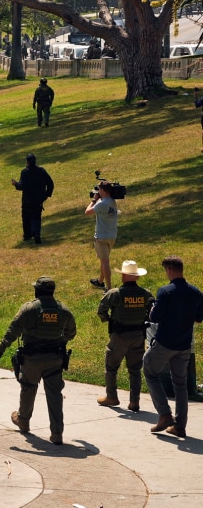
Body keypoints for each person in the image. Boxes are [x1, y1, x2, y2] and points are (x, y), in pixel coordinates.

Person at [0, 276, 77, 445]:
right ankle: (57, 432)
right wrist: (60, 341)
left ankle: (23, 421)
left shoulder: (29, 309)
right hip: (54, 359)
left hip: (32, 358)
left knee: (28, 387)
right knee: (54, 394)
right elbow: (71, 332)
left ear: (37, 291)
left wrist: (1, 348)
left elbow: (13, 329)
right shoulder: (63, 310)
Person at [143, 256, 203, 438]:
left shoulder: (165, 291)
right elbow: (199, 318)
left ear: (169, 270)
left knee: (149, 371)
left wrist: (153, 308)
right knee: (180, 384)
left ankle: (164, 414)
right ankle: (180, 426)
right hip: (184, 345)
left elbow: (155, 318)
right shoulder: (196, 293)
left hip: (165, 343)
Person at [96, 260, 154, 411]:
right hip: (138, 336)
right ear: (137, 277)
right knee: (135, 369)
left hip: (119, 336)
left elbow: (101, 310)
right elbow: (152, 312)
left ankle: (111, 396)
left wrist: (108, 320)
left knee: (111, 367)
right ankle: (134, 401)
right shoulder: (146, 294)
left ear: (122, 276)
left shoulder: (115, 293)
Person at [11, 153, 55, 244]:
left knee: (26, 216)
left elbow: (21, 186)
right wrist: (47, 194)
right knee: (37, 216)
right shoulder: (41, 171)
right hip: (39, 198)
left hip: (27, 199)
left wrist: (15, 184)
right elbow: (50, 183)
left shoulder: (25, 172)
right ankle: (37, 233)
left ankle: (28, 234)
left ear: (27, 162)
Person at [86, 181, 119, 290]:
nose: (98, 191)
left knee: (105, 262)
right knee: (103, 260)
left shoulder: (101, 203)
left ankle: (108, 288)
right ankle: (100, 281)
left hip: (101, 237)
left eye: (99, 190)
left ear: (103, 191)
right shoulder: (113, 202)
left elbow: (87, 212)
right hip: (112, 236)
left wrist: (94, 200)